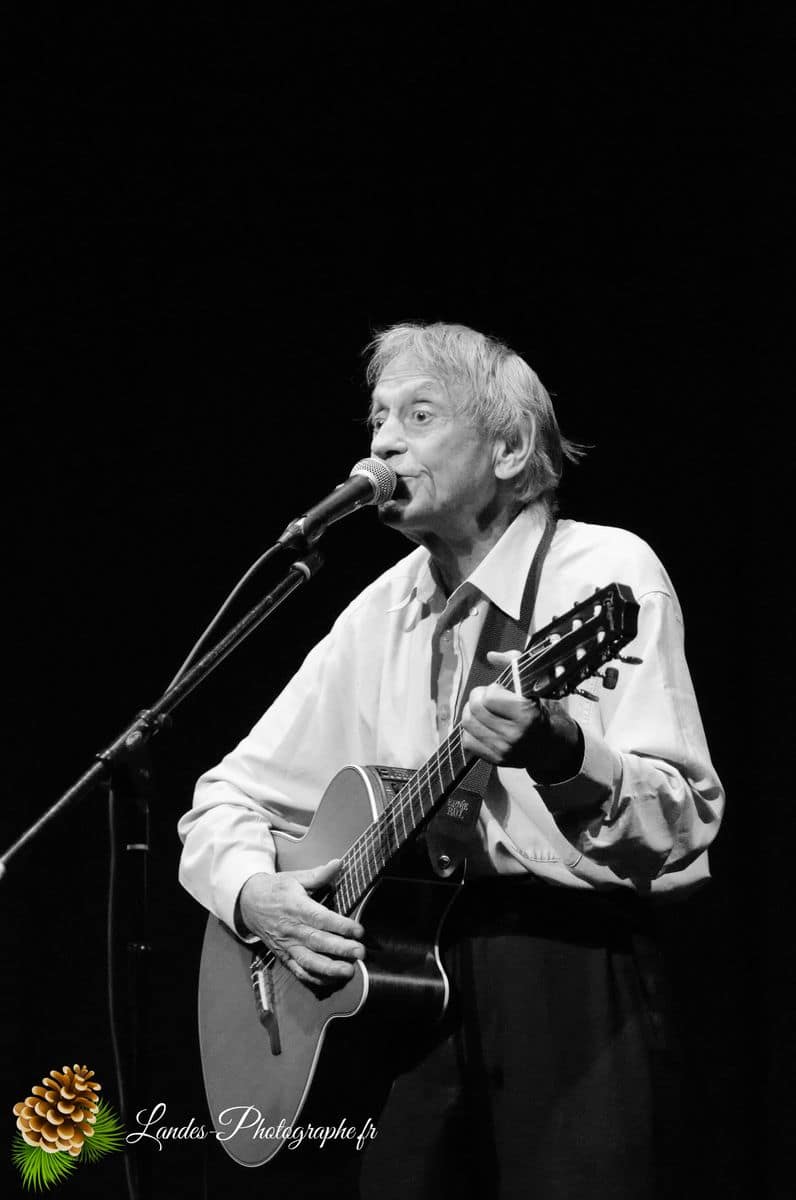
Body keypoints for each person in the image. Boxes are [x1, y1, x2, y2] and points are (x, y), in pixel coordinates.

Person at [178, 322, 724, 1200]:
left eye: (418, 415)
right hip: (400, 997)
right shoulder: (376, 612)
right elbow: (223, 799)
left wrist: (563, 753)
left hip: (564, 973)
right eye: (377, 420)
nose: (384, 441)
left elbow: (684, 826)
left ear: (508, 448)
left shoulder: (606, 573)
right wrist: (254, 894)